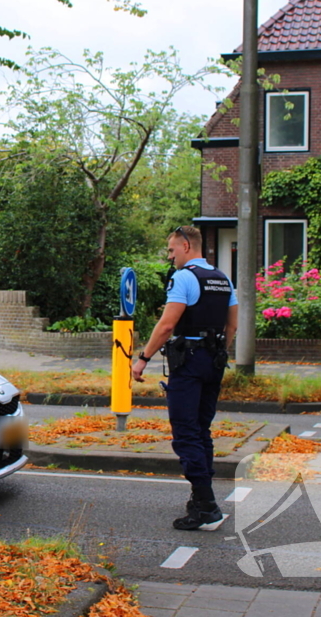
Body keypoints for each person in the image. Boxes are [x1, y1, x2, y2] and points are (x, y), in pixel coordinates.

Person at [132, 226, 238, 531]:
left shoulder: (184, 277)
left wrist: (142, 359)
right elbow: (232, 325)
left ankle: (206, 505)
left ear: (187, 246)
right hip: (214, 361)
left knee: (186, 432)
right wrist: (220, 352)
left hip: (189, 363)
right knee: (202, 430)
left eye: (172, 250)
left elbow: (167, 325)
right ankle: (199, 498)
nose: (170, 256)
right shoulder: (222, 278)